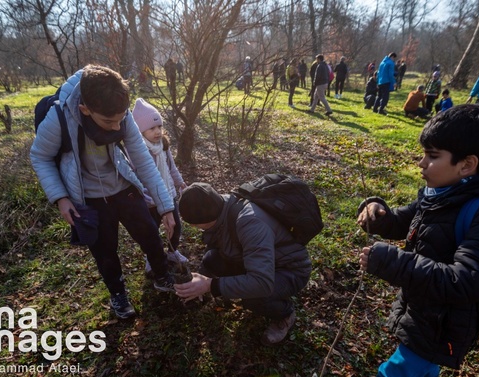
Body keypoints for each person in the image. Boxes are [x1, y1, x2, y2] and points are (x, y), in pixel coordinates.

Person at [311, 103, 479, 377]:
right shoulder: (443, 193)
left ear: (466, 165)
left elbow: (467, 280)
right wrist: (378, 211)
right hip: (423, 305)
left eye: (432, 156)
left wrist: (394, 262)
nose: (421, 164)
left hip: (447, 319)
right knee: (424, 361)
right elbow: (406, 220)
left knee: (395, 373)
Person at [30, 65, 177, 320]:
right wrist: (62, 199)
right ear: (85, 109)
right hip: (89, 197)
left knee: (149, 233)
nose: (116, 126)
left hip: (123, 187)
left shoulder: (120, 114)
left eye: (121, 120)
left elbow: (142, 160)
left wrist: (166, 206)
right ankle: (118, 294)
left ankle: (162, 275)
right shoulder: (59, 117)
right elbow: (40, 156)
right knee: (105, 250)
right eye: (109, 122)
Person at [174, 183, 312, 345]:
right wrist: (202, 280)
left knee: (253, 298)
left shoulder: (250, 223)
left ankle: (285, 313)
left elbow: (262, 283)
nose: (195, 228)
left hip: (290, 269)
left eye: (195, 225)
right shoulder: (220, 206)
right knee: (211, 259)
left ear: (205, 221)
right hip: (259, 262)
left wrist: (211, 285)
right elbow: (217, 245)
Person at [130, 98, 188, 273]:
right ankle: (151, 256)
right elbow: (135, 176)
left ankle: (172, 251)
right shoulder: (137, 150)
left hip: (168, 195)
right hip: (149, 200)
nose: (157, 132)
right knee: (150, 232)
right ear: (140, 131)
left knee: (176, 226)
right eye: (151, 128)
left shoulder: (163, 145)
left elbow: (171, 167)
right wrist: (146, 195)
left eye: (159, 127)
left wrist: (180, 182)